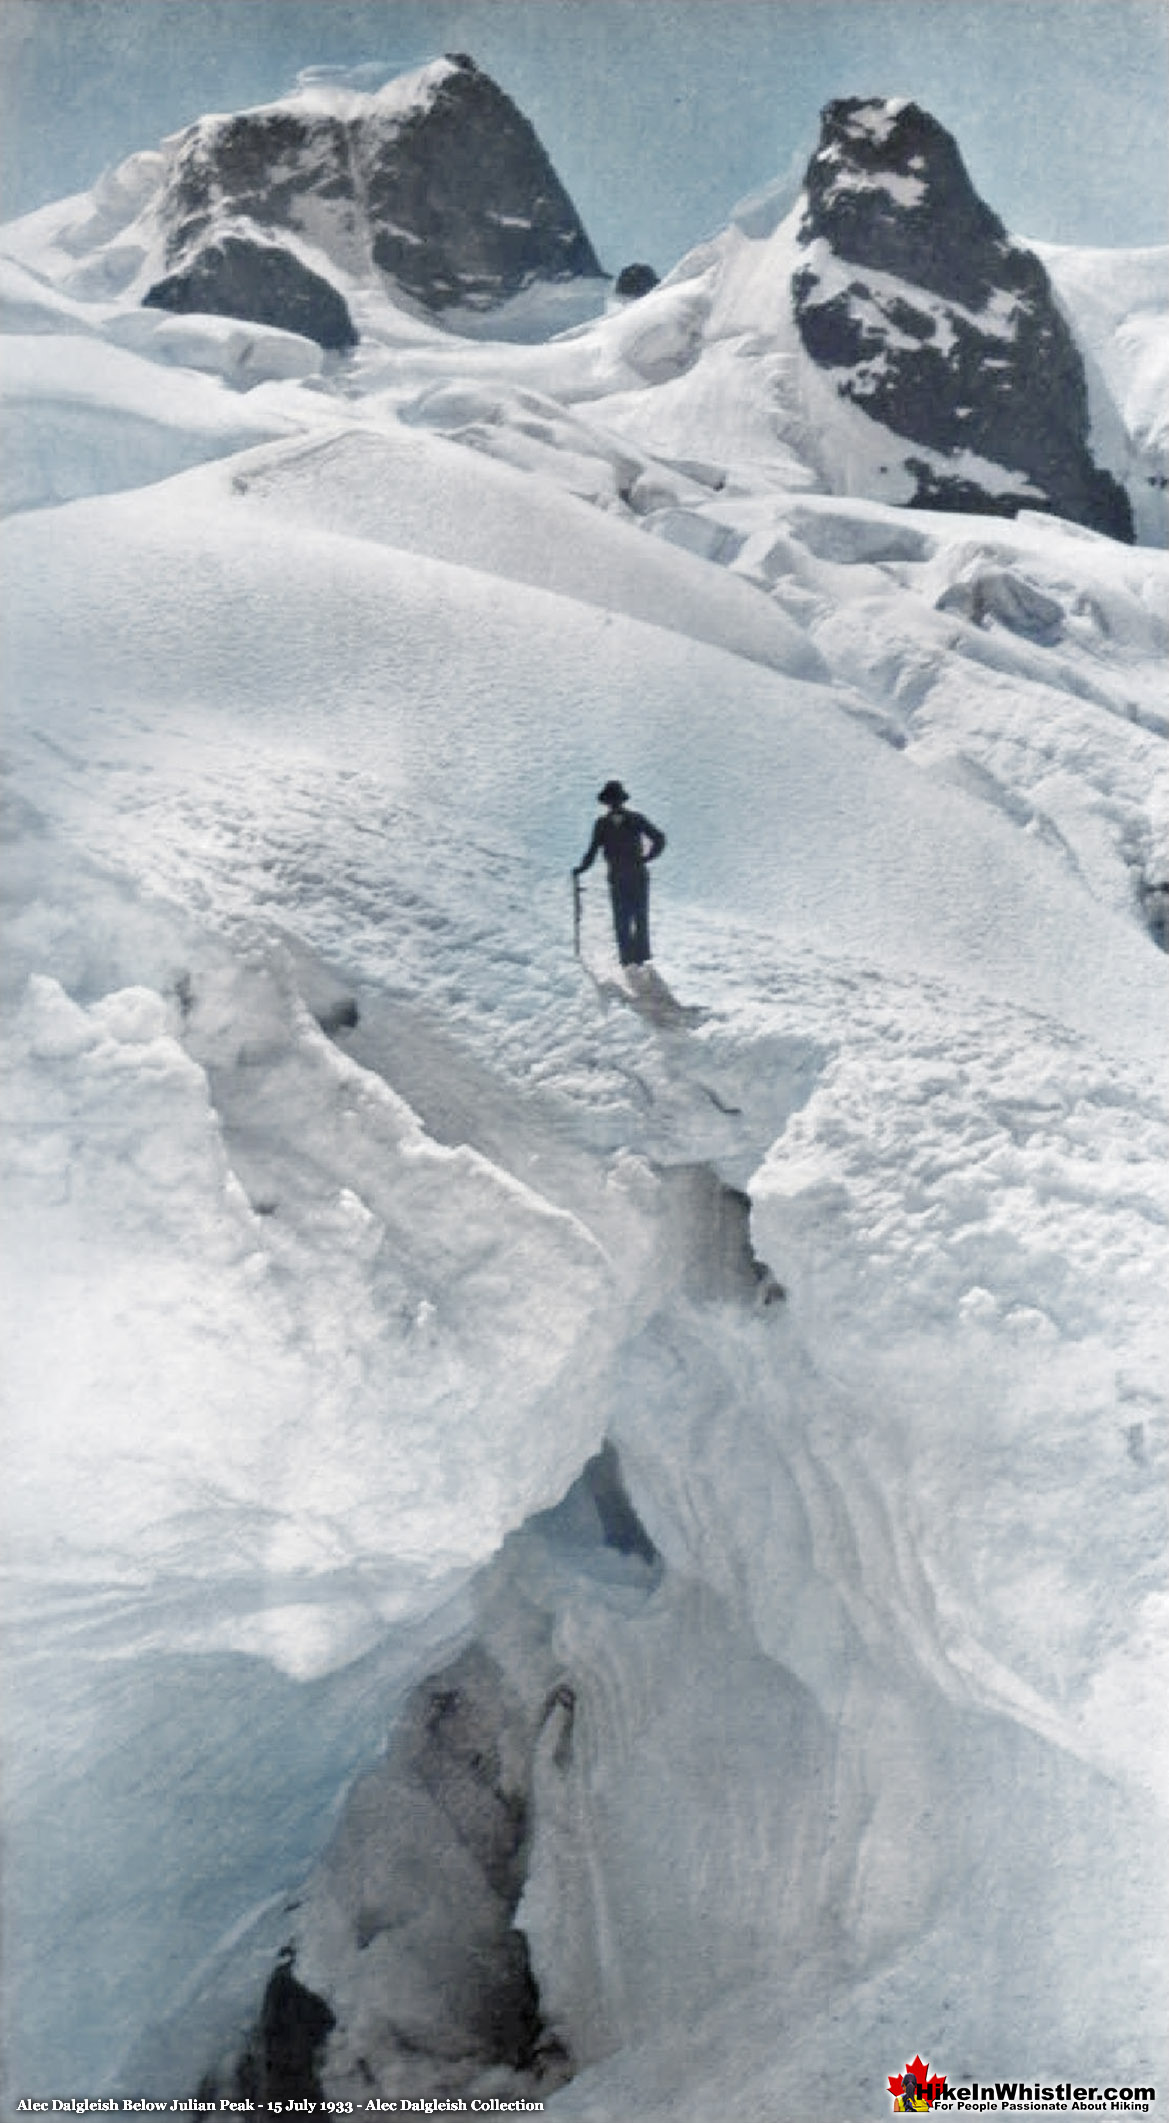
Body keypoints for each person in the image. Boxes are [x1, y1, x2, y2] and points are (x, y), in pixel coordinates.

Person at [574, 781, 666, 967]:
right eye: (611, 801)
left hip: (632, 874)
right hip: (622, 876)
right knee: (625, 917)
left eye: (615, 800)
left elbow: (659, 839)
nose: (614, 804)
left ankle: (637, 957)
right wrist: (581, 868)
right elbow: (592, 850)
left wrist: (647, 858)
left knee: (635, 916)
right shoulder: (605, 824)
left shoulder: (631, 819)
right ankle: (631, 957)